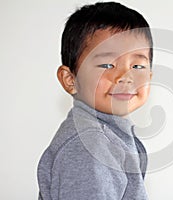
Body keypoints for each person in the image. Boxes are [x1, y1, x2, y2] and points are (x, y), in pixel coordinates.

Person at [37, 2, 153, 200]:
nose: (125, 76)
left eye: (137, 66)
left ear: (150, 76)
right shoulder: (89, 147)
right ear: (71, 80)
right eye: (107, 64)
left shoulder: (108, 136)